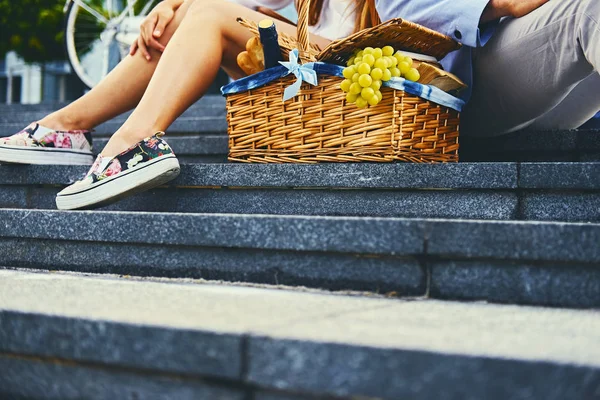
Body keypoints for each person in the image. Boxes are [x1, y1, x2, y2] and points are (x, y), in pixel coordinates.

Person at [0, 0, 378, 210]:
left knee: (208, 15)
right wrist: (171, 4)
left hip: (354, 67)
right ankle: (68, 127)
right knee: (179, 19)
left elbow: (429, 36)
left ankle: (135, 138)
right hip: (307, 53)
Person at [376, 0, 600, 136]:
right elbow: (396, 7)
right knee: (589, 9)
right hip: (472, 94)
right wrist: (498, 5)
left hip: (552, 99)